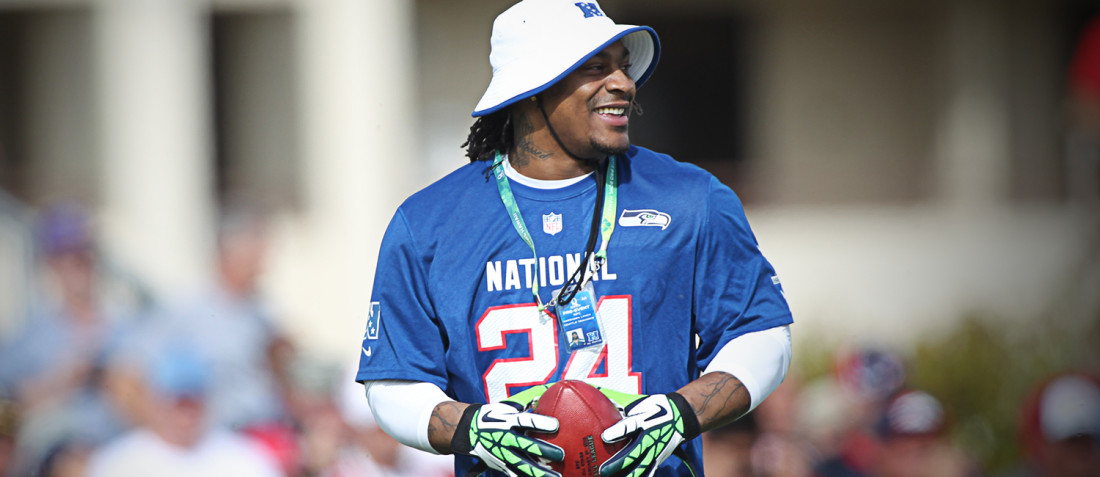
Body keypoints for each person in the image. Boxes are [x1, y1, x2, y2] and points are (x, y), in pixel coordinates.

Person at [355, 1, 793, 476]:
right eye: (594, 67)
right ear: (530, 89)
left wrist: (681, 414)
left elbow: (760, 332)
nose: (623, 83)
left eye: (623, 67)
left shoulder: (690, 198)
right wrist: (473, 430)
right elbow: (394, 380)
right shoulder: (428, 223)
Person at [85, 346, 283, 477]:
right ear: (157, 403)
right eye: (177, 405)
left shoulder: (243, 457)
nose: (185, 417)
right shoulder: (120, 461)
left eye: (193, 404)